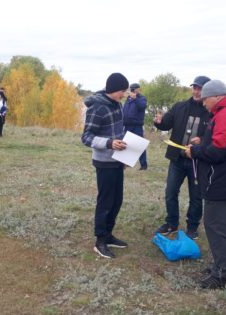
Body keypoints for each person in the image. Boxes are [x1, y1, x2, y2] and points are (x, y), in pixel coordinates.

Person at [185, 80, 226, 289]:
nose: (203, 102)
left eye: (205, 98)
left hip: (221, 181)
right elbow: (220, 143)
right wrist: (203, 142)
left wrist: (195, 151)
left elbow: (219, 151)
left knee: (215, 227)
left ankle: (220, 273)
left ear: (216, 96)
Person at [153, 75, 211, 239]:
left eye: (200, 88)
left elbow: (215, 135)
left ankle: (192, 227)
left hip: (198, 161)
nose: (197, 91)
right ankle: (171, 223)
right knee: (170, 192)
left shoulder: (211, 111)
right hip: (177, 159)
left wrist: (203, 140)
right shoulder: (180, 106)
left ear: (207, 90)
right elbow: (166, 124)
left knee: (196, 196)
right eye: (195, 87)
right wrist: (158, 122)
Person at [81, 72, 129, 259]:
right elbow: (86, 137)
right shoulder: (97, 108)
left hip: (118, 160)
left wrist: (125, 154)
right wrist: (109, 143)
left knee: (117, 200)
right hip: (104, 162)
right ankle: (100, 240)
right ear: (113, 90)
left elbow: (119, 131)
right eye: (122, 91)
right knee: (106, 201)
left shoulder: (117, 105)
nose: (124, 95)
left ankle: (108, 235)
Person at [123, 82, 148, 170]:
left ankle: (144, 165)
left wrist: (135, 98)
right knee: (126, 144)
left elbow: (142, 107)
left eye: (134, 89)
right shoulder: (128, 98)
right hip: (127, 125)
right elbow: (125, 110)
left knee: (139, 145)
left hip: (137, 125)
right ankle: (127, 163)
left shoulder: (142, 98)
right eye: (131, 89)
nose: (133, 91)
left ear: (138, 89)